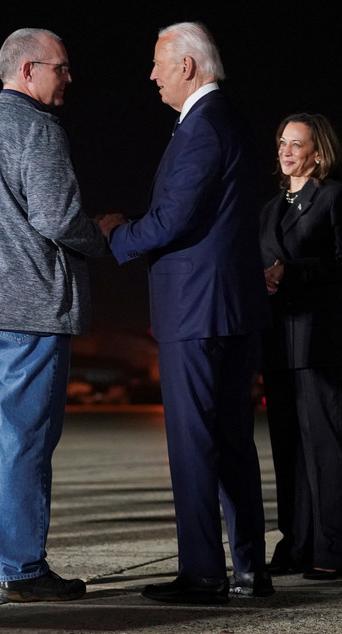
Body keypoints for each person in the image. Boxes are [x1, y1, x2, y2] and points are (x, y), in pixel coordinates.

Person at [99, 22, 273, 604]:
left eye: (157, 64)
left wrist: (117, 236)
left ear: (188, 67)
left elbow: (173, 219)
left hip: (196, 310)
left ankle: (203, 573)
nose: (151, 75)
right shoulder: (233, 121)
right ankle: (250, 567)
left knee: (194, 444)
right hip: (232, 307)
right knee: (231, 441)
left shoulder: (202, 128)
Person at [0, 28, 109, 603]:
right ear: (29, 70)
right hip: (26, 311)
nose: (68, 77)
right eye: (61, 67)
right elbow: (58, 217)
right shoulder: (38, 130)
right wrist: (102, 236)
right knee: (26, 441)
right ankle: (23, 568)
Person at [259, 113, 342, 580]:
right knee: (287, 448)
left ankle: (333, 550)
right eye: (281, 142)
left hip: (319, 339)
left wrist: (292, 271)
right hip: (278, 340)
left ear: (317, 153)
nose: (284, 151)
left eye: (295, 144)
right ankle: (296, 544)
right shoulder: (268, 208)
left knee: (323, 446)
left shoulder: (335, 197)